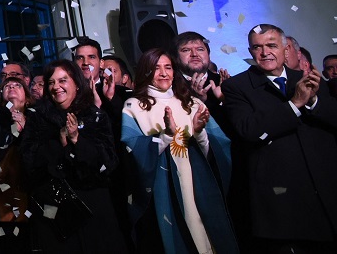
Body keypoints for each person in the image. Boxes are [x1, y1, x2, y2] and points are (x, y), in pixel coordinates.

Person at [221, 24, 337, 252]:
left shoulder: (308, 78)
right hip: (283, 201)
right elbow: (249, 130)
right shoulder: (237, 86)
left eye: (272, 45)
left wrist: (313, 101)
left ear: (287, 49)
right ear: (251, 52)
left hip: (326, 193)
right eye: (257, 47)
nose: (265, 53)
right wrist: (295, 104)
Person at [121, 49, 238, 254]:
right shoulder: (134, 106)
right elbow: (131, 150)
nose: (163, 73)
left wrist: (200, 132)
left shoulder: (192, 103)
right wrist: (166, 136)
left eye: (168, 67)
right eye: (155, 68)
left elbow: (220, 147)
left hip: (197, 180)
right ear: (145, 72)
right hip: (163, 184)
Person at [19, 59, 121, 252]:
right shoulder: (37, 118)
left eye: (63, 80)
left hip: (94, 207)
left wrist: (77, 142)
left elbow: (109, 162)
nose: (56, 87)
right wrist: (60, 146)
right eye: (51, 82)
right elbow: (29, 162)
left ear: (76, 82)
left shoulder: (95, 116)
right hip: (55, 211)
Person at [0, 76, 33, 254]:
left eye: (17, 85)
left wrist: (25, 129)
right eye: (7, 86)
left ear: (27, 98)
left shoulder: (37, 122)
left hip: (30, 199)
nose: (11, 87)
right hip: (0, 199)